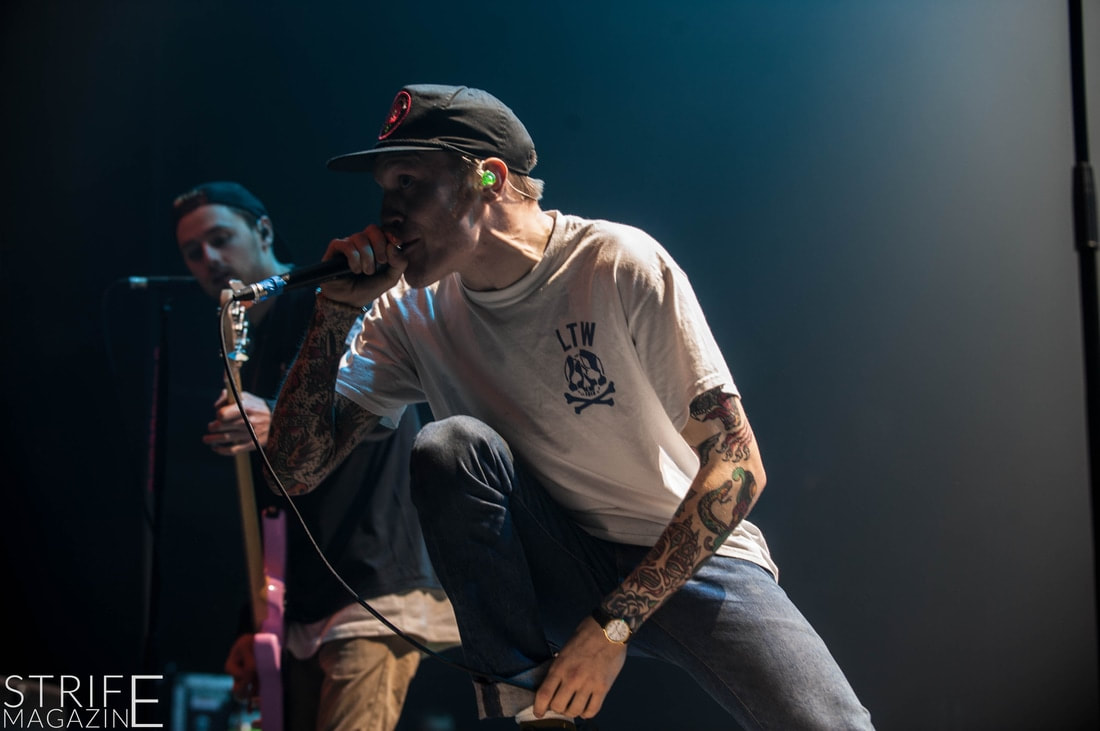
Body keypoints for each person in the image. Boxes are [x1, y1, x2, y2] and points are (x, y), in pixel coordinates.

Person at [265, 85, 874, 730]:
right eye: (385, 190)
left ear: (488, 177)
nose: (388, 213)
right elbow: (290, 472)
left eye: (409, 182)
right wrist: (334, 312)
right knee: (449, 446)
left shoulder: (614, 261)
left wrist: (612, 628)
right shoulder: (407, 311)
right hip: (550, 561)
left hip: (680, 556)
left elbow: (739, 465)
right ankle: (528, 710)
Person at [172, 181, 459, 731]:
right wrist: (254, 622)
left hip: (372, 587)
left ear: (263, 231)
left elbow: (378, 415)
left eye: (220, 239)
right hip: (299, 605)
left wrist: (278, 419)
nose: (208, 259)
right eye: (192, 251)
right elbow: (269, 501)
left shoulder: (334, 297)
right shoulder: (243, 344)